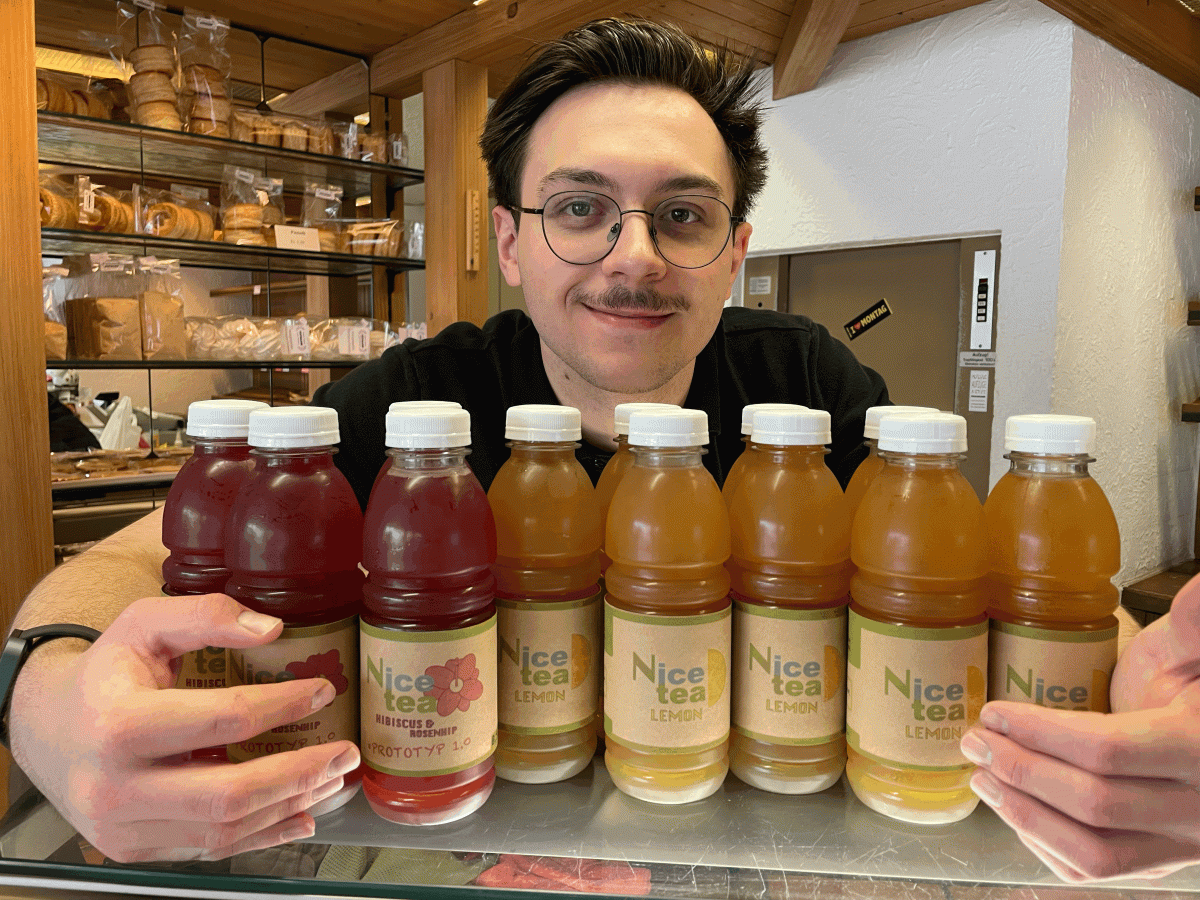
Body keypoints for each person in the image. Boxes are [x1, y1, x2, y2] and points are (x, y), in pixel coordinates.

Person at [5, 16, 1199, 885]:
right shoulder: (420, 404)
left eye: (682, 215)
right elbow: (136, 562)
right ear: (511, 242)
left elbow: (996, 588)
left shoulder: (808, 390)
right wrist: (47, 698)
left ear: (734, 251)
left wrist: (1131, 679)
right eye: (580, 209)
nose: (634, 255)